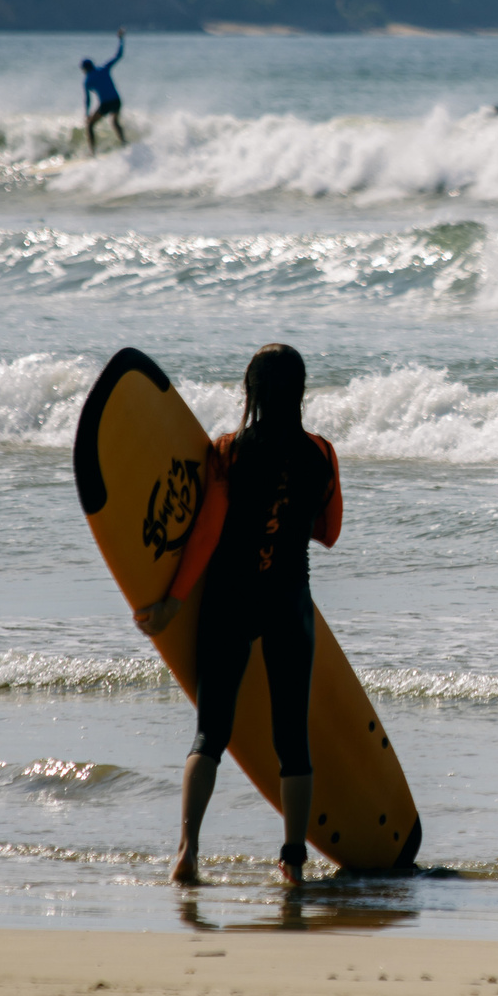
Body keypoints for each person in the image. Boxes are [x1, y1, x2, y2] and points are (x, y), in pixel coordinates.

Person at [133, 344, 343, 888]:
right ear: (298, 392)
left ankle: (187, 852)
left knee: (210, 733)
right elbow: (330, 532)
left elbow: (205, 535)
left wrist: (173, 601)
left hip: (230, 600)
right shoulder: (321, 453)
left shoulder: (227, 451)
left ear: (250, 391)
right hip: (288, 600)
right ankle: (293, 863)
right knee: (291, 737)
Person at [81, 29, 127, 153]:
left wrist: (87, 114)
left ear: (84, 69)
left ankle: (93, 152)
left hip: (106, 104)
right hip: (117, 101)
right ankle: (124, 144)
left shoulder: (87, 80)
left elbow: (88, 99)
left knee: (90, 125)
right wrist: (121, 39)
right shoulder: (104, 69)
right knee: (115, 122)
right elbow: (118, 55)